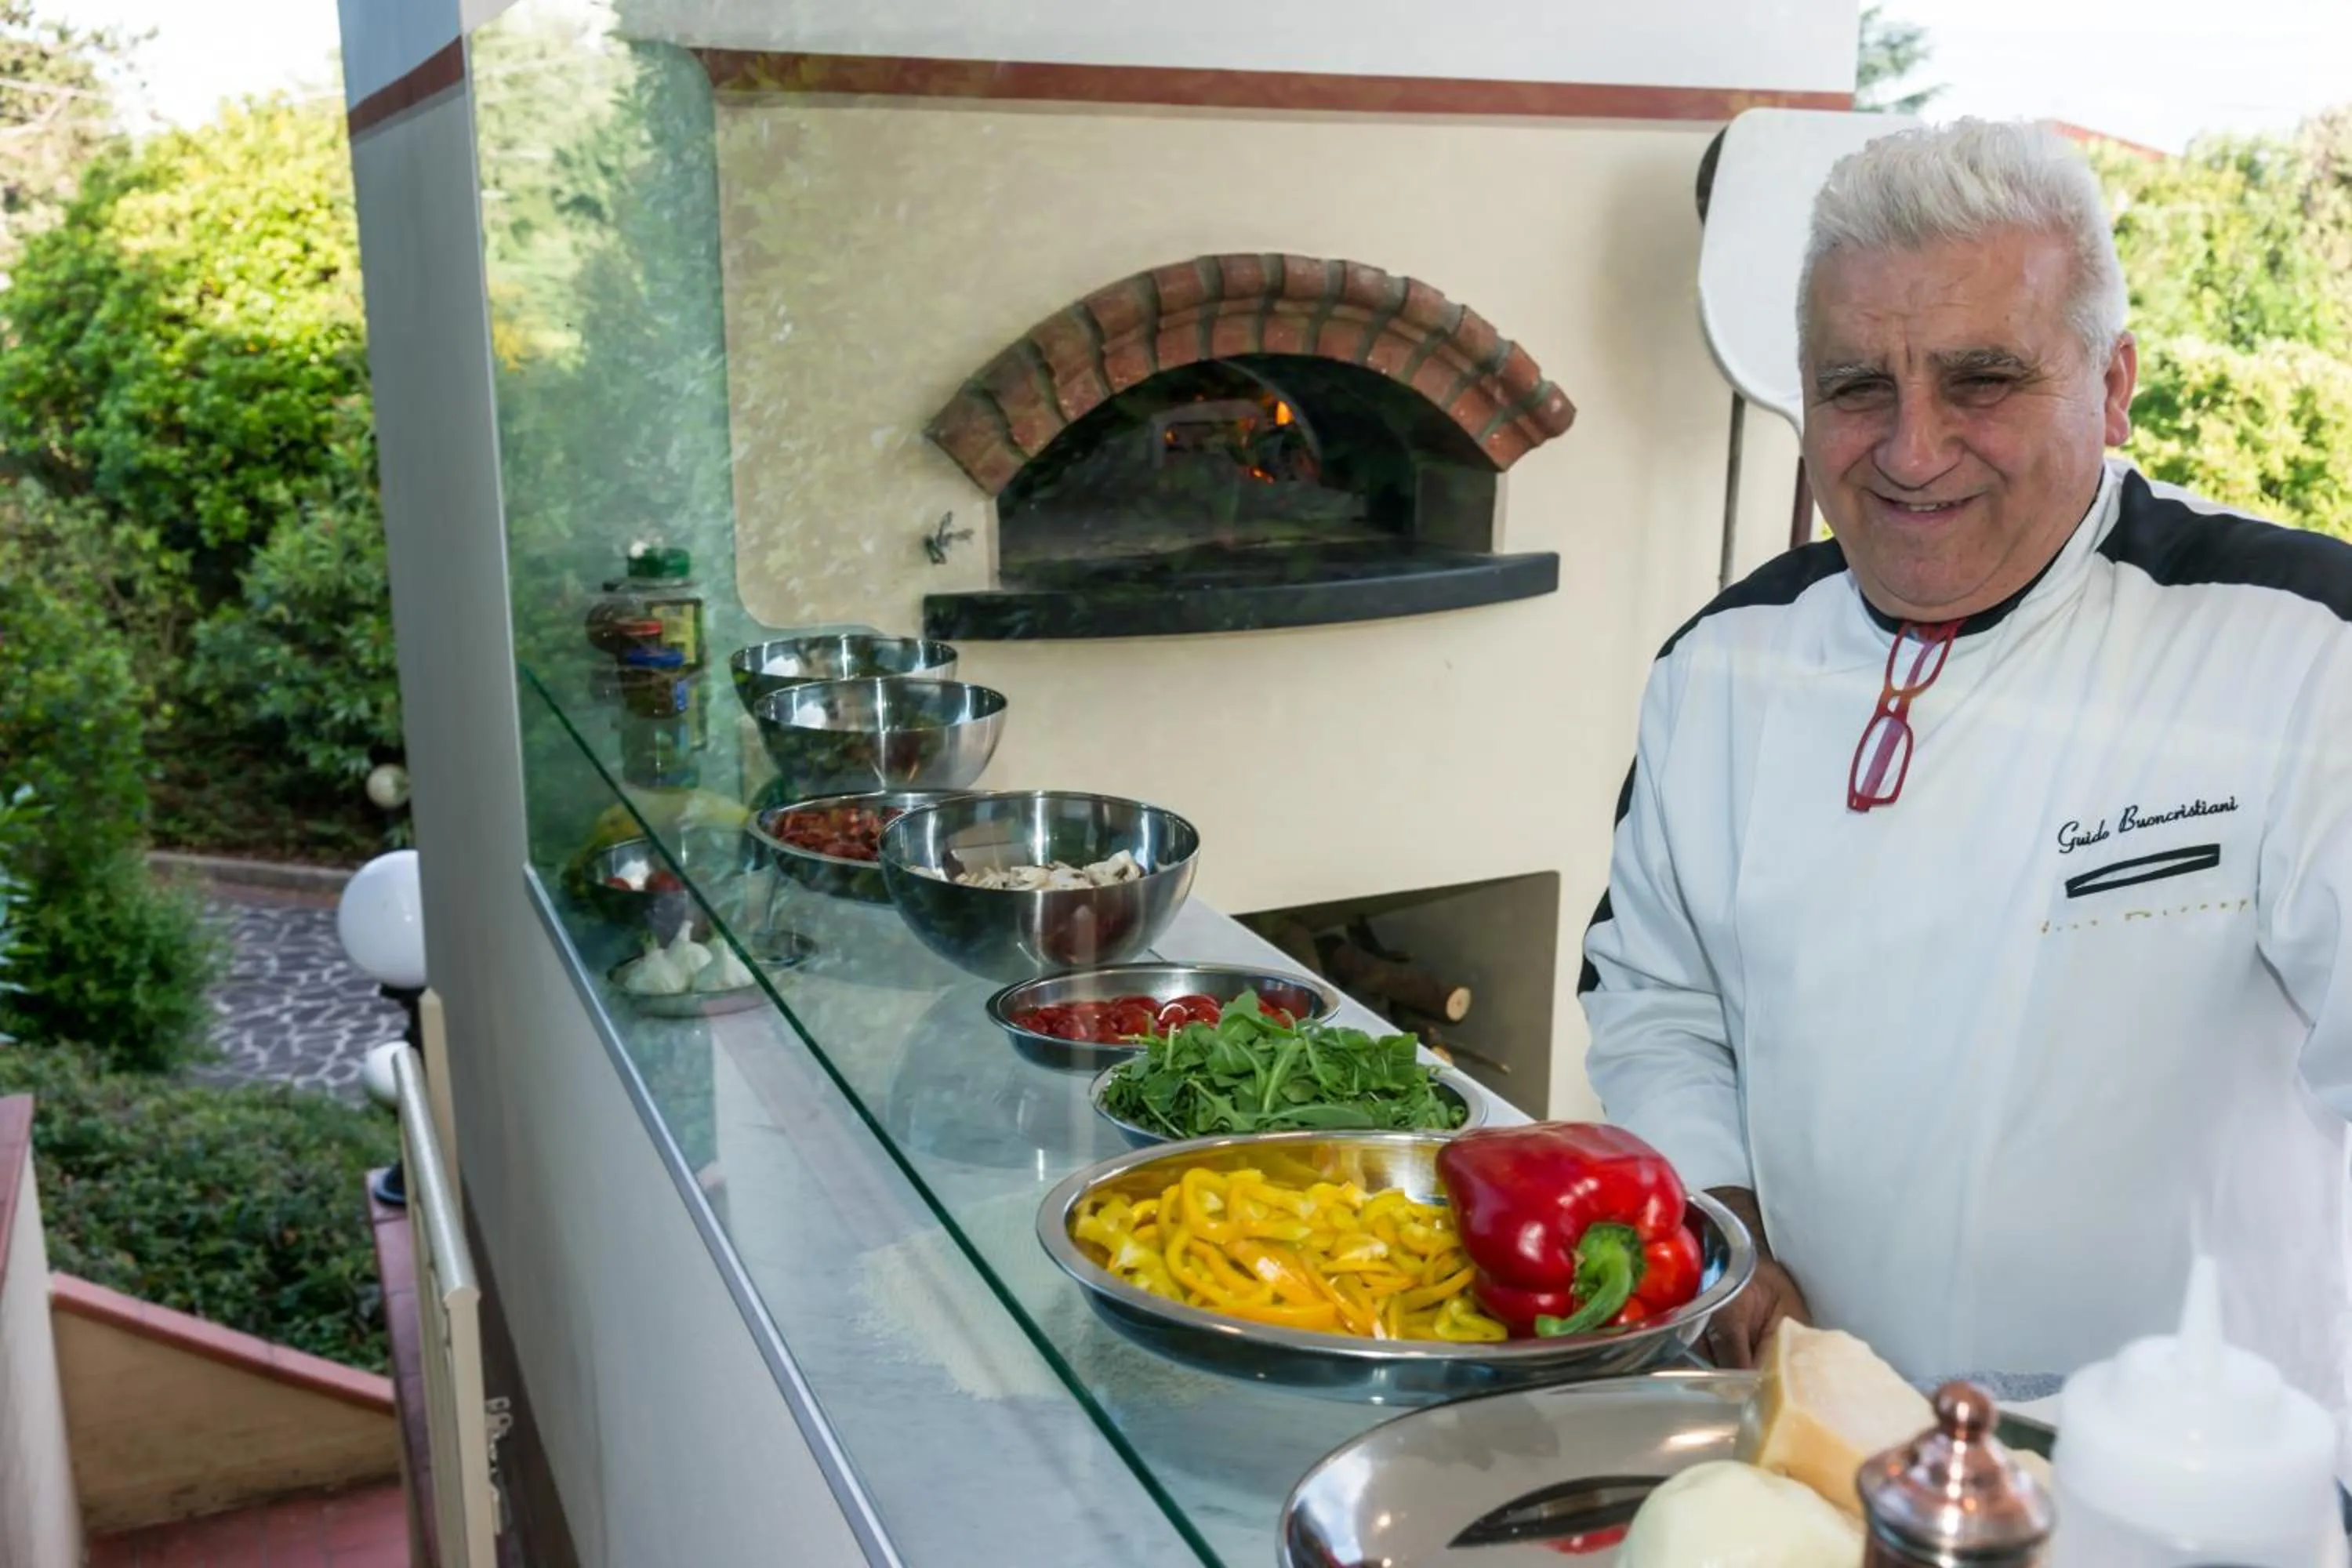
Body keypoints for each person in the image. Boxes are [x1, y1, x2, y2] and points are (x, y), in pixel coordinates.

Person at [1581, 118, 2352, 1454]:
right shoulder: (1723, 667)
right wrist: (1719, 1214)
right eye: (1857, 388)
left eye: (1981, 380)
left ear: (2112, 388)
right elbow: (1655, 995)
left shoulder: (2299, 649)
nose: (1912, 450)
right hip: (1815, 1449)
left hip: (2192, 1492)